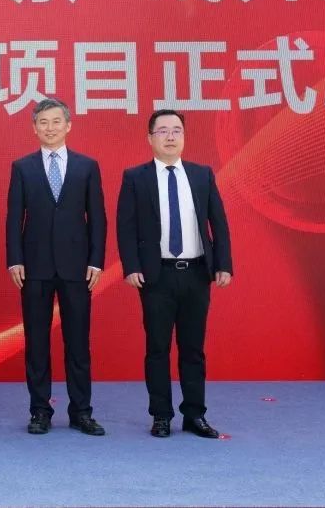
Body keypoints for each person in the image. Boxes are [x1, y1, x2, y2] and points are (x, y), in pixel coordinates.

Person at [116, 109, 233, 438]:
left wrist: (223, 264)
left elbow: (218, 222)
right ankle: (161, 415)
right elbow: (126, 227)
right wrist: (131, 266)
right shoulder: (135, 177)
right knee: (157, 348)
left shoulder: (201, 174)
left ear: (184, 137)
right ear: (150, 138)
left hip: (196, 273)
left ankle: (195, 415)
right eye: (163, 131)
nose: (170, 136)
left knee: (193, 349)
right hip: (157, 276)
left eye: (177, 130)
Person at [5, 97, 107, 436]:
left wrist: (96, 260)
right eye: (43, 122)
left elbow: (97, 217)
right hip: (34, 267)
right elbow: (14, 217)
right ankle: (39, 411)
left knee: (78, 343)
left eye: (55, 121)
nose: (49, 128)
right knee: (37, 343)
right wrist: (15, 259)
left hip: (77, 268)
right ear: (34, 128)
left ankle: (81, 411)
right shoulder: (22, 167)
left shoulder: (86, 166)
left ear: (68, 125)